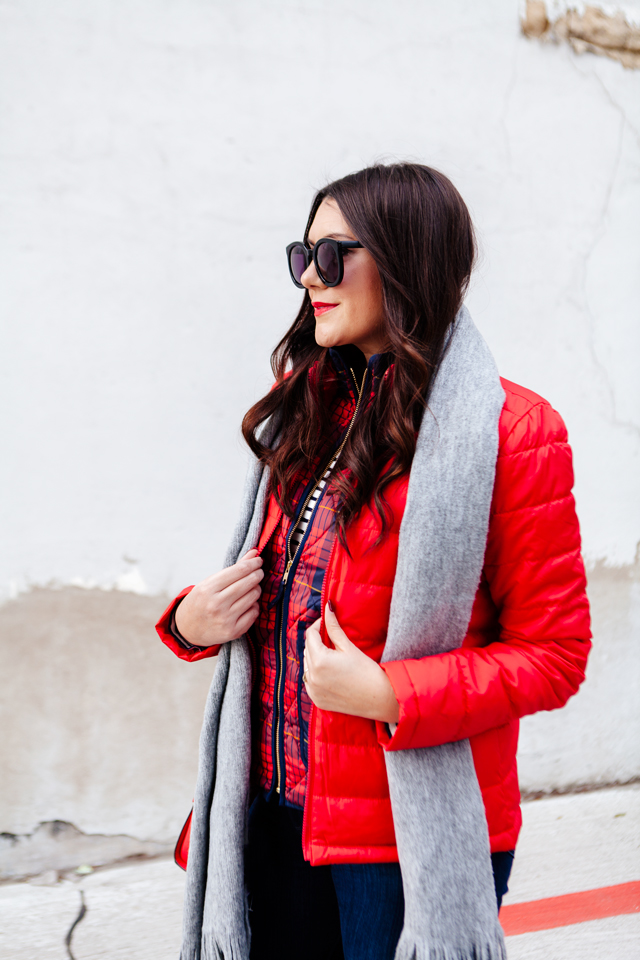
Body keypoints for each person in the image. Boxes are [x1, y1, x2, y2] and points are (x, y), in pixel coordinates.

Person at [156, 163, 591, 960]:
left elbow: (554, 657)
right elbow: (285, 591)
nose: (310, 280)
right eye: (302, 257)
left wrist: (393, 693)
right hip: (269, 819)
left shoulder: (514, 432)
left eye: (332, 257)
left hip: (398, 844)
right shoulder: (307, 410)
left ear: (406, 257)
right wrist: (189, 620)